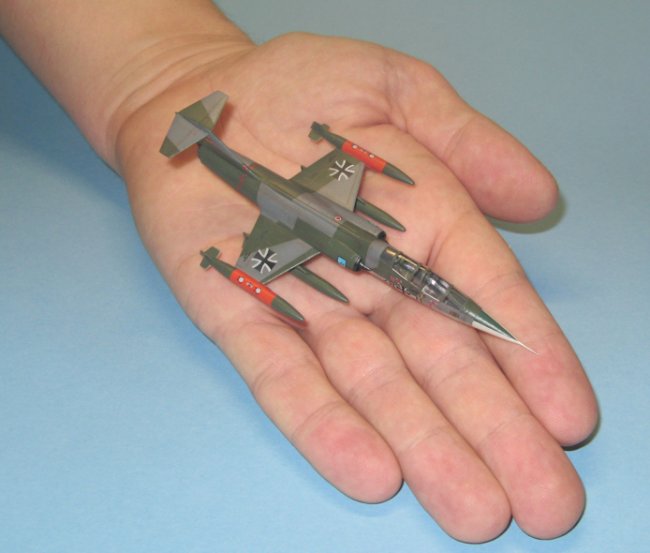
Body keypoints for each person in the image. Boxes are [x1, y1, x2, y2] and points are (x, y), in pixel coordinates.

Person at [0, 0, 598, 542]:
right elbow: (261, 257)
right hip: (281, 200)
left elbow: (330, 183)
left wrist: (170, 64)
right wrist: (156, 82)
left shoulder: (352, 214)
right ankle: (195, 133)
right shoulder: (300, 218)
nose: (422, 284)